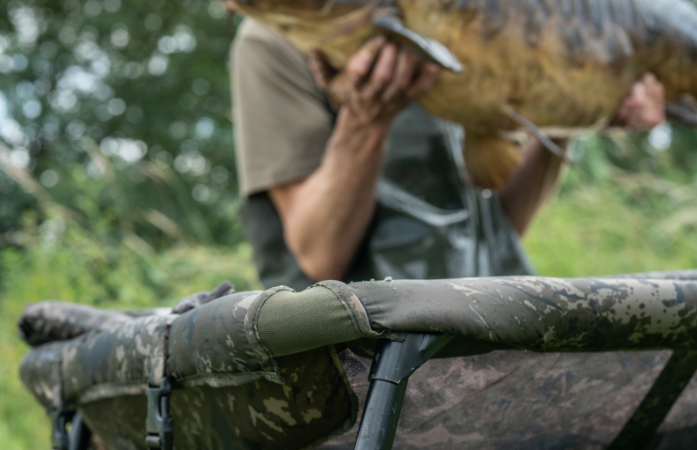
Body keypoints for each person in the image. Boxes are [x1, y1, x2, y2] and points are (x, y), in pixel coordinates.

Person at [230, 18, 667, 449]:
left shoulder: (455, 21)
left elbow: (501, 225)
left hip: (492, 367)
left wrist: (568, 111)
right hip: (364, 392)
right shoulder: (275, 37)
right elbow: (319, 252)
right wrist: (365, 120)